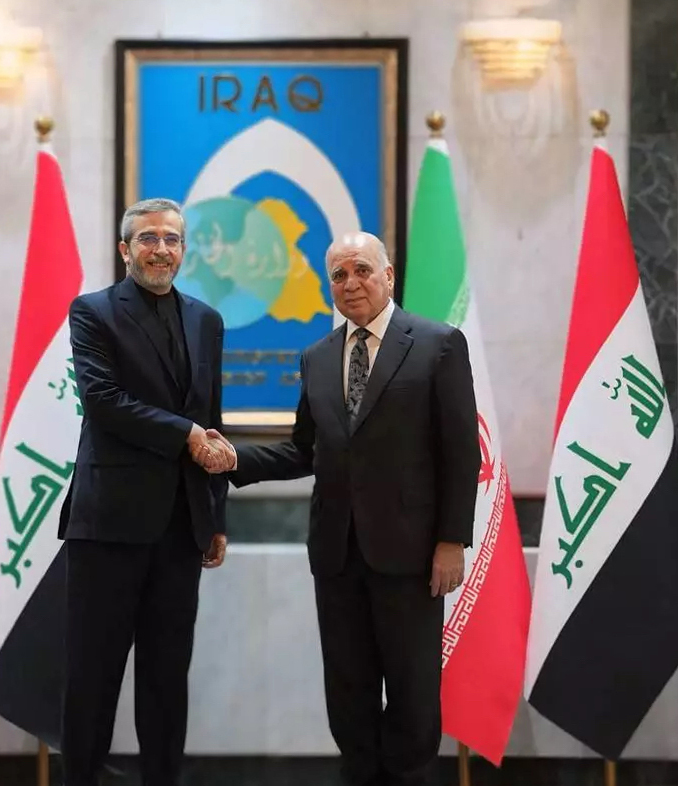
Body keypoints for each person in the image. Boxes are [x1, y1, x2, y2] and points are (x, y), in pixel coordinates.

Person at [205, 231, 481, 786]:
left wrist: (452, 541)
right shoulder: (317, 356)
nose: (350, 283)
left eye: (361, 270)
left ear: (389, 275)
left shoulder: (437, 344)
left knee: (412, 698)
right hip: (336, 556)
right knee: (348, 694)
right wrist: (234, 458)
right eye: (338, 275)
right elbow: (306, 449)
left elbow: (460, 452)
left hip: (411, 557)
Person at [57, 197, 236, 786]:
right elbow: (104, 403)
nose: (162, 249)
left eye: (172, 239)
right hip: (107, 527)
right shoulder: (93, 312)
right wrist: (184, 433)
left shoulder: (206, 320)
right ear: (124, 248)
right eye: (149, 238)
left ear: (184, 249)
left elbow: (212, 420)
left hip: (180, 531)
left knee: (166, 682)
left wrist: (214, 515)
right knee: (93, 679)